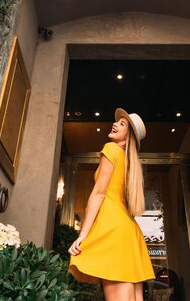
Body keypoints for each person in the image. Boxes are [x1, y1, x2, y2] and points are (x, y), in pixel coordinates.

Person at [68, 108, 155, 301]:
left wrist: (83, 235)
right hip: (130, 233)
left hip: (113, 231)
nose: (115, 124)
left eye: (122, 124)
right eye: (117, 122)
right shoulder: (130, 163)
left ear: (129, 135)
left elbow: (98, 194)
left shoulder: (110, 149)